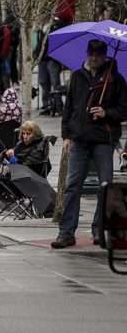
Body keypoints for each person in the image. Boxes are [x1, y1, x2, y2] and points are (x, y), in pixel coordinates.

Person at [52, 39, 127, 248]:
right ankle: (66, 232)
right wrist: (66, 135)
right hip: (79, 139)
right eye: (91, 54)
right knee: (72, 186)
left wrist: (106, 113)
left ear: (104, 56)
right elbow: (70, 109)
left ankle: (98, 228)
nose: (94, 58)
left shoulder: (115, 79)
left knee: (105, 186)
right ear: (87, 54)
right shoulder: (78, 77)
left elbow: (124, 110)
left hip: (104, 139)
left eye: (98, 55)